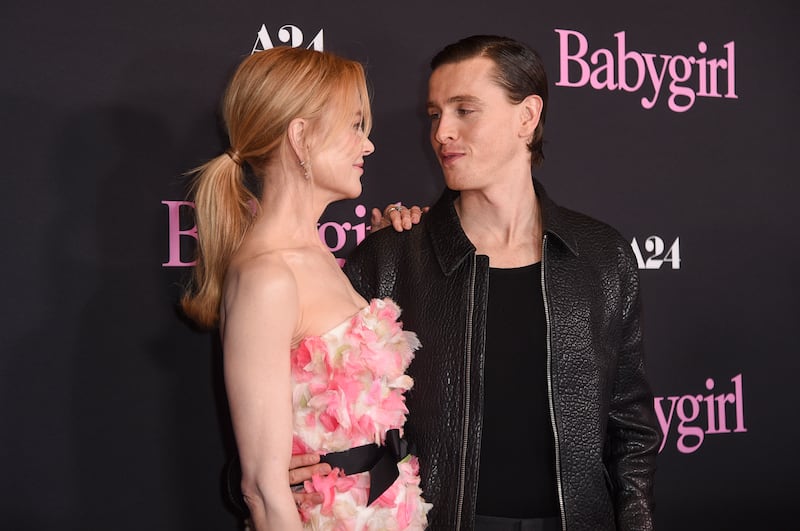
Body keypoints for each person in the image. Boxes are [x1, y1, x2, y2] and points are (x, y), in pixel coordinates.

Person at [296, 35, 661, 530]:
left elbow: (632, 428)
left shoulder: (601, 255)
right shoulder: (391, 257)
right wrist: (272, 477)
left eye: (465, 109)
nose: (442, 131)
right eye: (434, 114)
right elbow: (309, 407)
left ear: (526, 118)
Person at [181, 46, 431, 530]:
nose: (369, 145)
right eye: (355, 125)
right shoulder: (267, 276)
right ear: (301, 137)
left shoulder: (319, 256)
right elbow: (263, 492)